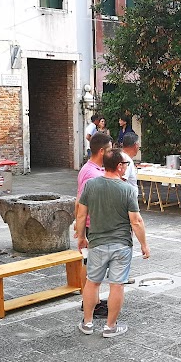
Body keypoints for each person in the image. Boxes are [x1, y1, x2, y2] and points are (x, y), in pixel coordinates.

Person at [76, 149, 149, 337]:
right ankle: (110, 327)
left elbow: (81, 215)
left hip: (97, 243)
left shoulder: (91, 185)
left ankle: (88, 323)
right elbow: (136, 221)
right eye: (126, 164)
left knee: (92, 283)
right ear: (119, 166)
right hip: (121, 245)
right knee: (117, 285)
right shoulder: (127, 189)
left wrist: (81, 237)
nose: (126, 167)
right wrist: (144, 245)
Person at [76, 132, 112, 317]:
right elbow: (81, 203)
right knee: (92, 267)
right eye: (110, 150)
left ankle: (93, 300)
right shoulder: (91, 173)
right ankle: (90, 303)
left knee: (91, 264)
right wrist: (81, 231)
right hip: (93, 226)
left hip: (93, 225)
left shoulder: (92, 169)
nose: (112, 154)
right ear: (101, 151)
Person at [119, 132, 140, 198]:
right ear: (136, 145)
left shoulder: (120, 155)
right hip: (127, 198)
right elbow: (120, 181)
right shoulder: (127, 160)